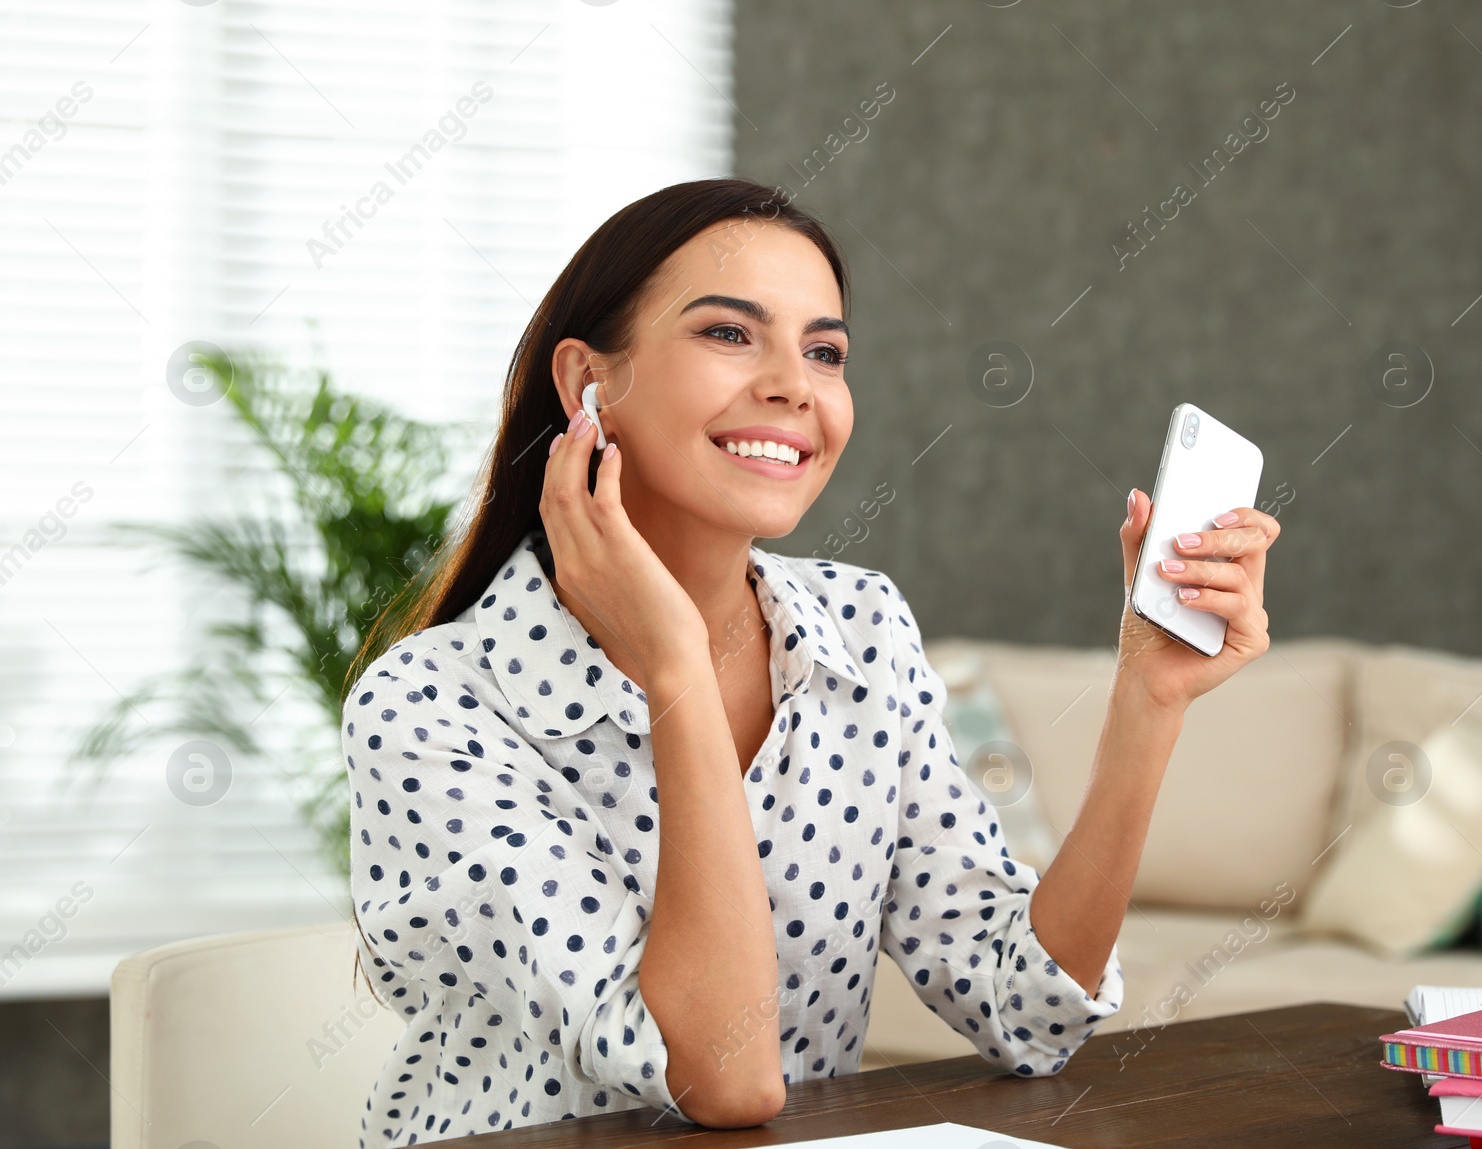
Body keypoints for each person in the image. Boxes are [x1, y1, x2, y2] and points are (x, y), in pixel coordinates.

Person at [340, 177, 1278, 1145]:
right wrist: (677, 671)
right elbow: (721, 1082)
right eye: (728, 333)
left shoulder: (860, 627)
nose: (793, 383)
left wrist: (1149, 699)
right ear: (588, 382)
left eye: (823, 351)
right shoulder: (433, 706)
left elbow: (1024, 1008)